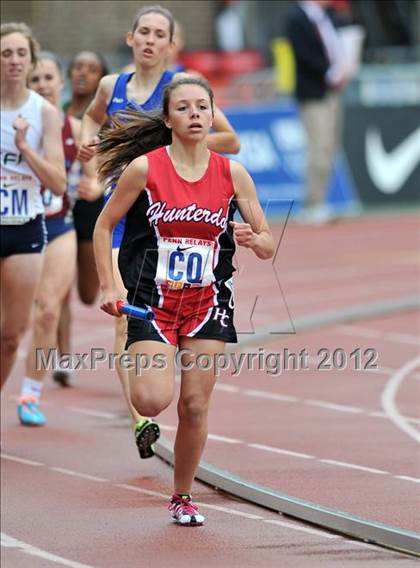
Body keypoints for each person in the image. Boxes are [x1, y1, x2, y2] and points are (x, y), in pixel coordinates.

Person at [93, 75, 274, 525]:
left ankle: (182, 496)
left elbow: (269, 244)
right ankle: (150, 377)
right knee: (153, 401)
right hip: (151, 301)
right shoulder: (145, 169)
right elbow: (102, 227)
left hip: (207, 303)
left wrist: (256, 238)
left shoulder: (232, 173)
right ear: (169, 119)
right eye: (184, 108)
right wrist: (110, 284)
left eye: (202, 107)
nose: (195, 114)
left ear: (212, 115)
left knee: (193, 406)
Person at [79, 4, 240, 460]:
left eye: (159, 34)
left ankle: (149, 394)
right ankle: (142, 418)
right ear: (131, 39)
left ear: (172, 44)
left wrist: (179, 147)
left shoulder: (182, 91)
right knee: (122, 316)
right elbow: (93, 119)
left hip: (163, 223)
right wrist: (93, 165)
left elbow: (231, 140)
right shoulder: (114, 86)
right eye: (143, 33)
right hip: (123, 214)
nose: (150, 41)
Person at [0, 23, 66, 388]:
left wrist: (25, 149)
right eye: (6, 53)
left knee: (11, 336)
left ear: (31, 60)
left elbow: (57, 181)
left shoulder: (43, 113)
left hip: (24, 226)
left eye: (20, 53)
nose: (13, 61)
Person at [16, 52, 79, 425]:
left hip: (59, 226)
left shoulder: (76, 126)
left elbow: (98, 170)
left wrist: (91, 181)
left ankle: (30, 394)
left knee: (50, 309)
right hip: (18, 225)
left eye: (48, 78)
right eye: (35, 79)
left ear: (61, 83)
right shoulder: (14, 124)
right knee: (14, 322)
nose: (42, 85)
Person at [55, 50, 109, 387]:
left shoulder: (105, 117)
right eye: (77, 67)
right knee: (56, 289)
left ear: (101, 77)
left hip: (91, 209)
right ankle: (62, 358)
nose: (82, 74)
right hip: (58, 207)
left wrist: (99, 183)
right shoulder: (55, 113)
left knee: (88, 294)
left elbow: (115, 161)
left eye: (91, 69)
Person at [286, 0, 348, 224]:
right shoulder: (296, 18)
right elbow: (303, 55)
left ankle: (321, 200)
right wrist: (329, 72)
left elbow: (337, 44)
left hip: (331, 92)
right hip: (313, 93)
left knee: (330, 147)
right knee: (318, 146)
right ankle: (312, 204)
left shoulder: (328, 16)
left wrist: (342, 70)